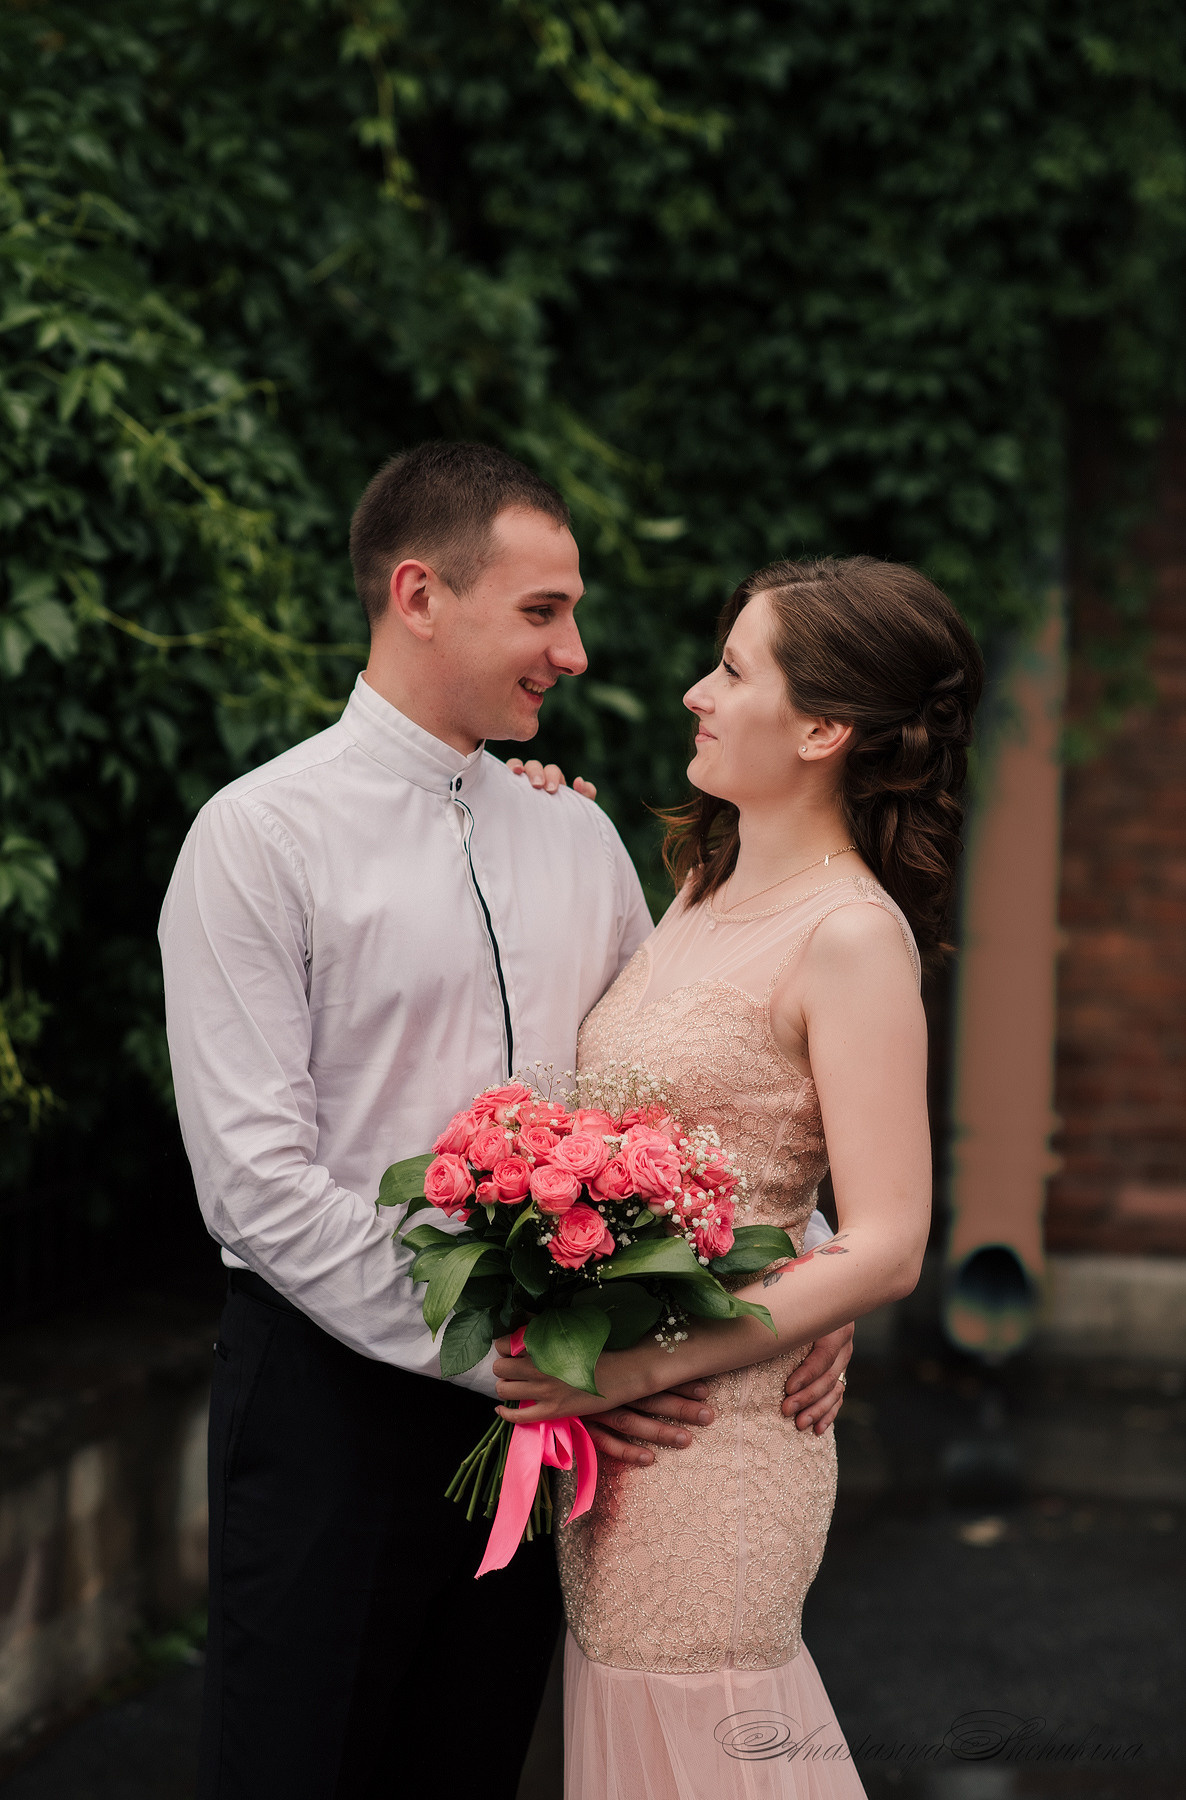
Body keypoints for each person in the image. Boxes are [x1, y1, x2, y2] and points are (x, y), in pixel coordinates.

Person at [158, 441, 852, 1800]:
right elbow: (256, 1185)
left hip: (557, 1421)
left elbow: (673, 1086)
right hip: (331, 1404)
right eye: (543, 612)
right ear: (419, 595)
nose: (577, 652)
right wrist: (511, 1354)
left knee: (470, 1765)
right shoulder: (257, 839)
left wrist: (806, 1263)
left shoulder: (575, 836)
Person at [493, 555, 984, 1799]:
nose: (692, 695)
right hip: (622, 1446)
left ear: (821, 729)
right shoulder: (701, 889)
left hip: (709, 1439)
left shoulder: (853, 937)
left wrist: (638, 1366)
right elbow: (742, 1155)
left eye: (732, 670)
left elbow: (887, 1243)